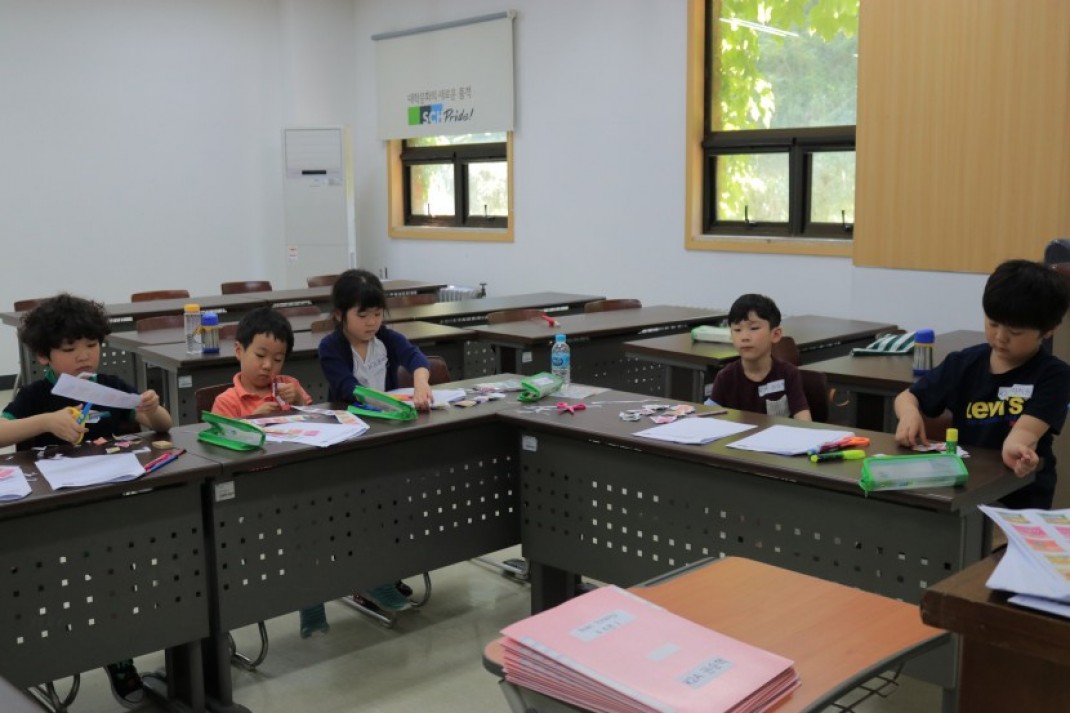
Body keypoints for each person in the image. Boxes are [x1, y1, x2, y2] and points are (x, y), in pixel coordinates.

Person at [0, 293, 173, 706]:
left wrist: (151, 410)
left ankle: (118, 656)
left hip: (109, 511)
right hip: (52, 520)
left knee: (115, 584)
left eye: (91, 345)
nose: (83, 356)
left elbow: (162, 425)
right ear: (43, 355)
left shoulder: (109, 388)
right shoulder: (37, 397)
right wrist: (44, 422)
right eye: (69, 349)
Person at [895, 259, 1070, 510]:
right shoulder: (963, 363)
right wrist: (909, 414)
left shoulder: (1054, 375)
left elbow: (1026, 432)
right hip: (966, 486)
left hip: (1019, 492)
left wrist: (1015, 448)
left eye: (1015, 332)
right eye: (992, 323)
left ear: (1048, 330)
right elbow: (907, 396)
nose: (1000, 337)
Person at [208, 307, 327, 637]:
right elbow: (221, 452)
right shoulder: (227, 402)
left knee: (312, 532)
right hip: (248, 494)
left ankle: (312, 604)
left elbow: (317, 421)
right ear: (239, 351)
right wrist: (251, 421)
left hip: (289, 485)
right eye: (260, 356)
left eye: (277, 359)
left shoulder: (288, 386)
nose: (268, 366)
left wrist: (299, 399)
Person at [318, 268, 432, 611]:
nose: (371, 323)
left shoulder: (387, 338)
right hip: (351, 438)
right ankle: (367, 578)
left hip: (387, 434)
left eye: (378, 314)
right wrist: (387, 403)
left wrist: (421, 382)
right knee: (365, 510)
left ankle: (387, 573)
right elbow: (347, 388)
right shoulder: (331, 347)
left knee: (395, 504)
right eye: (362, 315)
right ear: (340, 315)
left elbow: (416, 358)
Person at [709, 293, 812, 420]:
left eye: (753, 328)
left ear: (775, 334)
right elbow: (709, 418)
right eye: (737, 330)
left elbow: (803, 419)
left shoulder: (789, 374)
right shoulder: (725, 377)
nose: (744, 337)